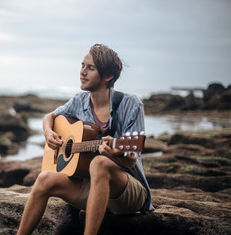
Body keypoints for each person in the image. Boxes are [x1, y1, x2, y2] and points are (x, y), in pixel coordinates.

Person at [17, 44, 154, 235]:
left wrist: (118, 154)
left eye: (91, 68)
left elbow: (132, 158)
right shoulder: (79, 101)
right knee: (43, 178)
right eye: (82, 66)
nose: (82, 72)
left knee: (100, 162)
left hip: (126, 194)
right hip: (92, 189)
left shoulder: (131, 104)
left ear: (108, 76)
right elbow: (50, 116)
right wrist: (49, 132)